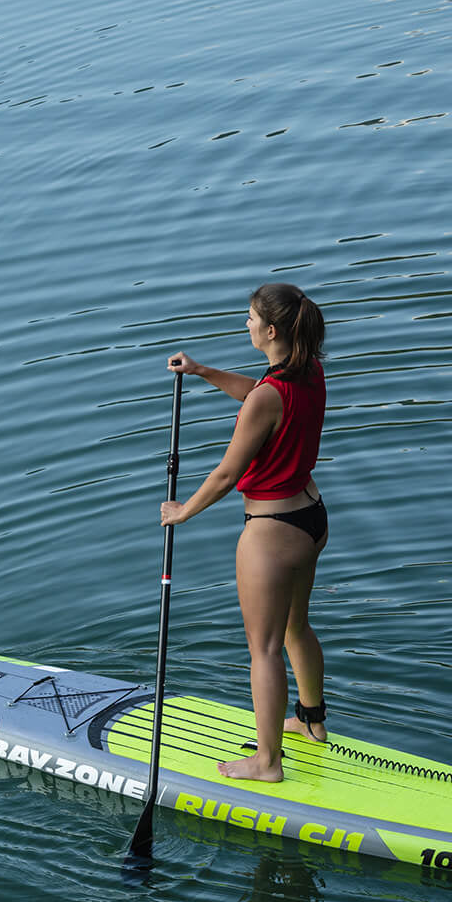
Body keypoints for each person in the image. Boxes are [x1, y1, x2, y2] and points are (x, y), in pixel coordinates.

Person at [161, 282, 329, 782]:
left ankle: (268, 761)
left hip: (271, 533)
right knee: (296, 627)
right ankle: (312, 722)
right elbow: (259, 397)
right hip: (311, 519)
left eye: (251, 317)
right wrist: (204, 372)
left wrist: (183, 512)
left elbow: (225, 476)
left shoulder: (269, 396)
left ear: (271, 330)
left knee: (263, 647)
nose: (247, 324)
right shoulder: (307, 371)